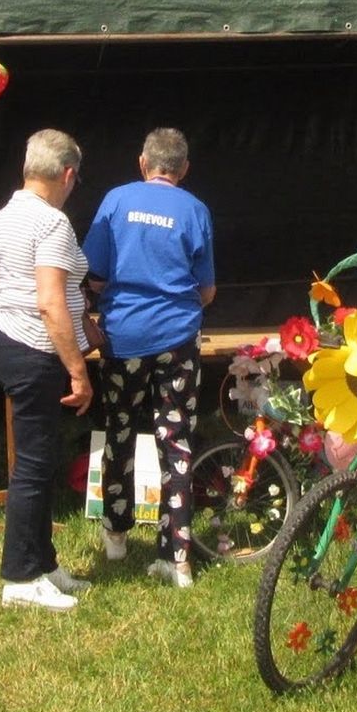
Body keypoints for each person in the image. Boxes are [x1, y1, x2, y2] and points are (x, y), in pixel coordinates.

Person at [82, 128, 215, 589]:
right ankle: (177, 558)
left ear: (143, 163)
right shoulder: (196, 209)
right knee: (176, 442)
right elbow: (208, 289)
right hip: (178, 339)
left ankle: (116, 536)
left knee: (119, 431)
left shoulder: (116, 200)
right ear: (184, 169)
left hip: (124, 339)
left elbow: (90, 270)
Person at [0, 129, 95, 612]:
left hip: (5, 340)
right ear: (68, 175)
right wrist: (78, 370)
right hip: (35, 347)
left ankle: (44, 562)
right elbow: (51, 304)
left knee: (41, 458)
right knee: (33, 464)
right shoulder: (53, 223)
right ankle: (20, 577)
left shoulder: (4, 216)